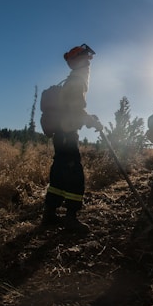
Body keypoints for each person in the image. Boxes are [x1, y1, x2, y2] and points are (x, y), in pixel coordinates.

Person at [42, 44, 103, 233]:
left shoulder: (72, 80)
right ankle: (71, 218)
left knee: (59, 173)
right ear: (79, 62)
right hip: (67, 134)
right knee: (74, 174)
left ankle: (49, 214)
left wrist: (89, 118)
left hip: (62, 135)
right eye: (86, 60)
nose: (89, 64)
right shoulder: (77, 81)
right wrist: (91, 121)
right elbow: (76, 110)